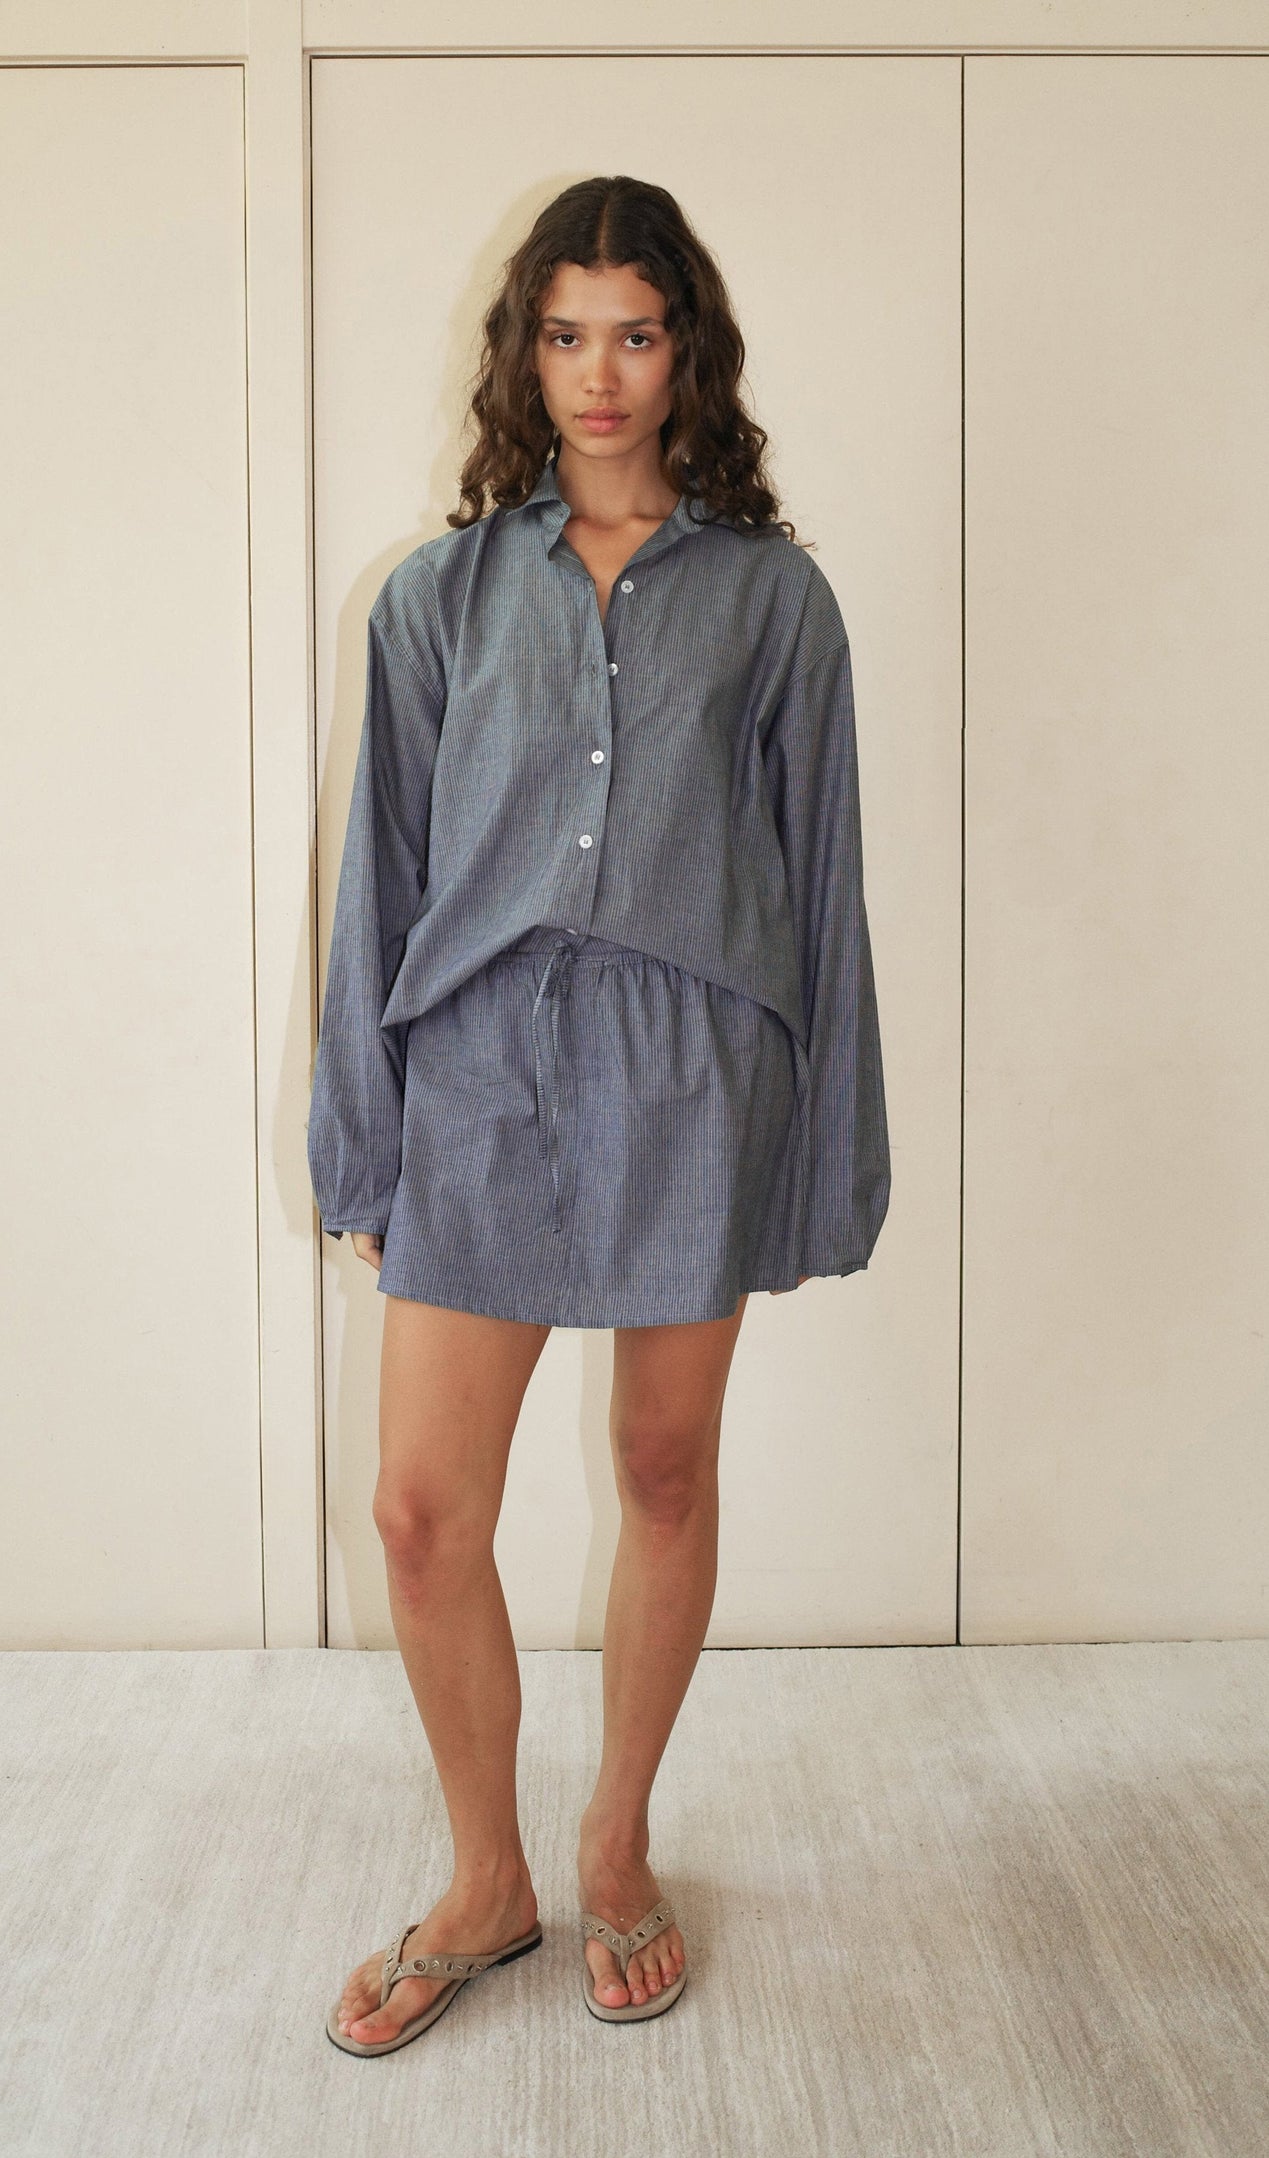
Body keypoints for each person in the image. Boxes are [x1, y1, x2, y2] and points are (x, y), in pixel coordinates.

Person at [311, 175, 890, 2056]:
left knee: (660, 1472)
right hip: (477, 1073)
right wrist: (363, 1135)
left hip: (690, 1080)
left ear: (686, 351)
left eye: (634, 332)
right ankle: (485, 1883)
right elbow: (375, 887)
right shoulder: (434, 596)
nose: (599, 373)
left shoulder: (775, 603)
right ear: (522, 351)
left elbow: (821, 895)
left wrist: (825, 1153)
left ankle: (617, 1849)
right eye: (564, 333)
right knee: (417, 1511)